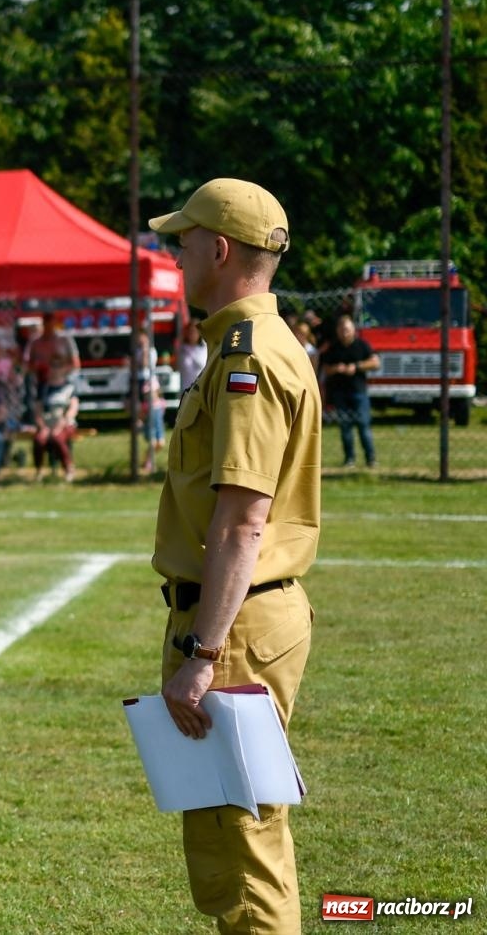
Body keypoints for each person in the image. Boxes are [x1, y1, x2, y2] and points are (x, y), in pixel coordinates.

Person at [149, 177, 320, 935]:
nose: (177, 253)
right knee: (234, 833)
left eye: (184, 240)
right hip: (243, 617)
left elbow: (242, 520)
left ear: (218, 250)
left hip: (236, 626)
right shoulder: (249, 346)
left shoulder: (247, 358)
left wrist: (203, 651)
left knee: (244, 845)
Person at [318, 313, 378, 468]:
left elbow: (375, 363)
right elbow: (325, 369)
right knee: (345, 428)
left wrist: (356, 367)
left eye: (347, 329)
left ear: (353, 330)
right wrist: (337, 368)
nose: (344, 332)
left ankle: (370, 458)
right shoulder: (333, 347)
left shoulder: (361, 345)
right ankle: (349, 459)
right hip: (340, 393)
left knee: (363, 425)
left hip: (358, 391)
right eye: (342, 329)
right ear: (338, 331)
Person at [30, 361, 79, 482]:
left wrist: (60, 425)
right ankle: (39, 471)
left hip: (64, 424)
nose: (55, 370)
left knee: (57, 438)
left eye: (58, 366)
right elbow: (37, 410)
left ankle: (68, 468)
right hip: (47, 424)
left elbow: (72, 409)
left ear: (64, 369)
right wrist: (43, 427)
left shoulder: (70, 388)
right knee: (39, 440)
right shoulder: (44, 388)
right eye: (53, 366)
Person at [131, 327, 166, 475]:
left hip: (149, 387)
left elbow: (145, 364)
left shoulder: (150, 352)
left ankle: (147, 461)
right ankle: (148, 463)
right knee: (153, 440)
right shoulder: (137, 352)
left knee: (160, 443)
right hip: (145, 389)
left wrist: (145, 350)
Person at [177, 319, 208, 393]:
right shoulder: (182, 349)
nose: (192, 334)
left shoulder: (204, 348)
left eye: (194, 331)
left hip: (201, 388)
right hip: (186, 389)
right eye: (190, 331)